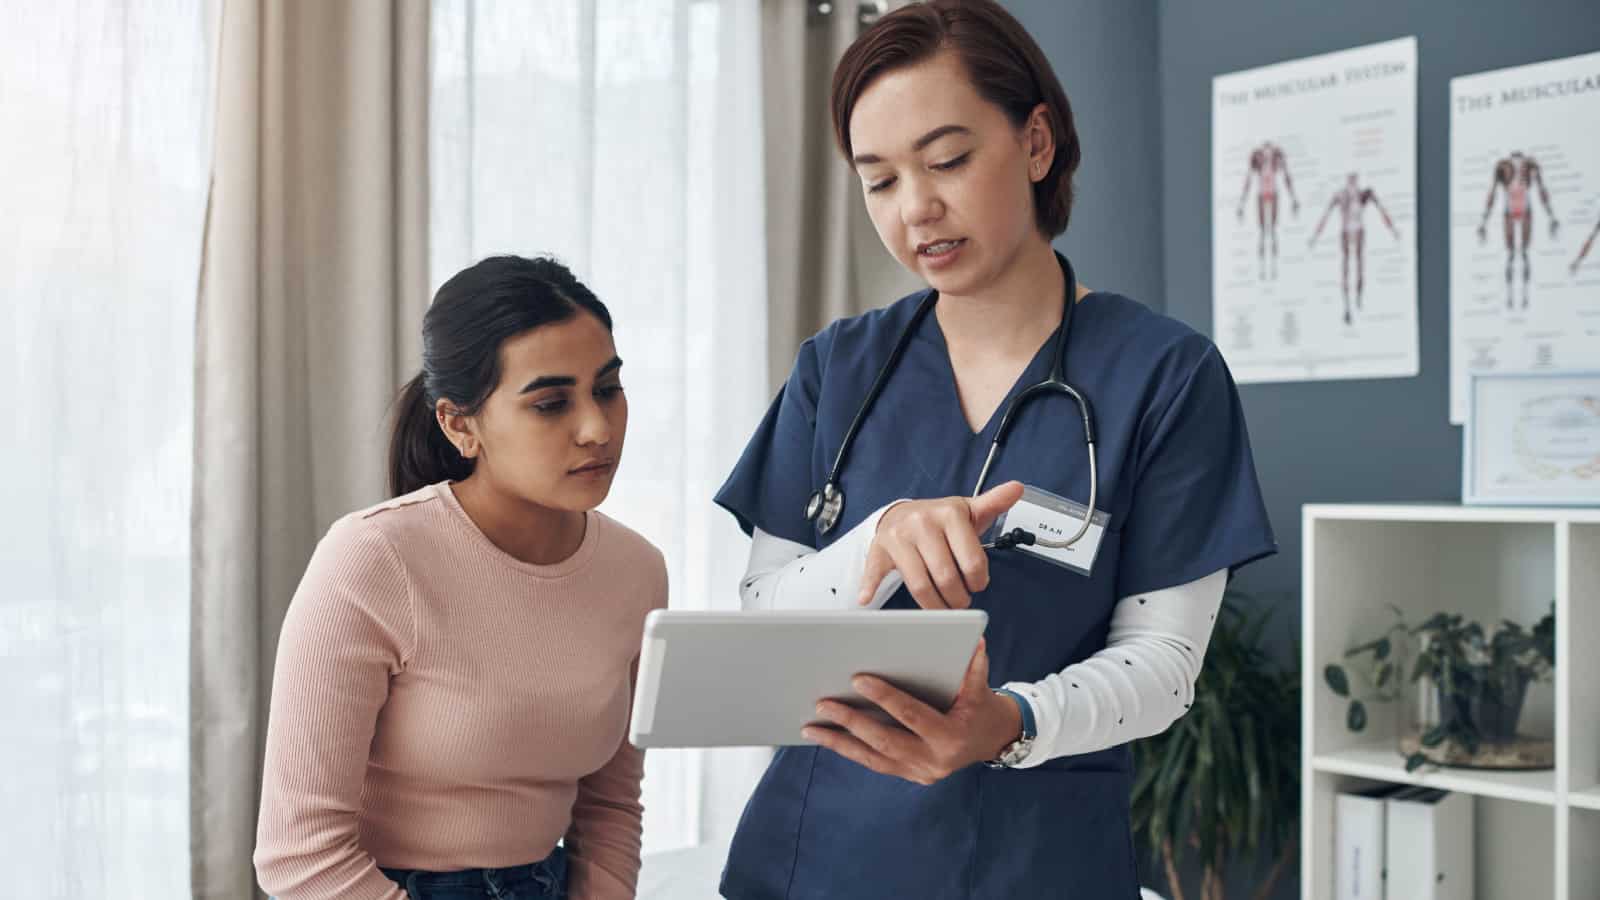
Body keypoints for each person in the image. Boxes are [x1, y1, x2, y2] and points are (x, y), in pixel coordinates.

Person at [712, 2, 1276, 897]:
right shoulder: (838, 368)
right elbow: (763, 620)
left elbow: (1164, 667)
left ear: (1038, 143)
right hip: (816, 855)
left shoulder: (1165, 376)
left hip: (1039, 856)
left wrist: (1010, 723)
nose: (917, 210)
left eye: (947, 160)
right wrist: (879, 537)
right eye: (879, 181)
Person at [254, 255, 667, 900]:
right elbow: (300, 857)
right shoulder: (373, 559)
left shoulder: (637, 571)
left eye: (607, 389)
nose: (597, 428)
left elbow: (610, 809)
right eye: (551, 403)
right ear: (459, 423)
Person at [1309, 172, 1399, 325]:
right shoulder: (1340, 195)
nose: (1353, 183)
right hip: (1347, 231)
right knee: (1346, 267)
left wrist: (1392, 229)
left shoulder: (1364, 194)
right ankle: (1347, 306)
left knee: (1358, 265)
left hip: (1358, 231)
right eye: (1351, 180)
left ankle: (1358, 300)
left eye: (1354, 180)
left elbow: (1381, 209)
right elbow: (1326, 215)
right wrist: (1315, 236)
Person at [1478, 151, 1559, 309]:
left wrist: (1551, 216)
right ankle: (1510, 296)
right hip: (1511, 210)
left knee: (1523, 253)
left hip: (1523, 210)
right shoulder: (1503, 167)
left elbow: (1542, 191)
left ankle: (1524, 297)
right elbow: (1492, 194)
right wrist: (1484, 221)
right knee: (1512, 254)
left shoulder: (1530, 165)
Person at [1236, 140, 1299, 280]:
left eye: (1269, 152)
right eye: (1265, 152)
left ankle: (1274, 268)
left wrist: (1293, 198)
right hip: (1261, 193)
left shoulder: (1278, 156)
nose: (1267, 154)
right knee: (1263, 232)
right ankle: (1262, 269)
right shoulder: (1256, 157)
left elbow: (1286, 177)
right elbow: (1248, 180)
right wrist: (1241, 203)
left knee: (1273, 231)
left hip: (1273, 193)